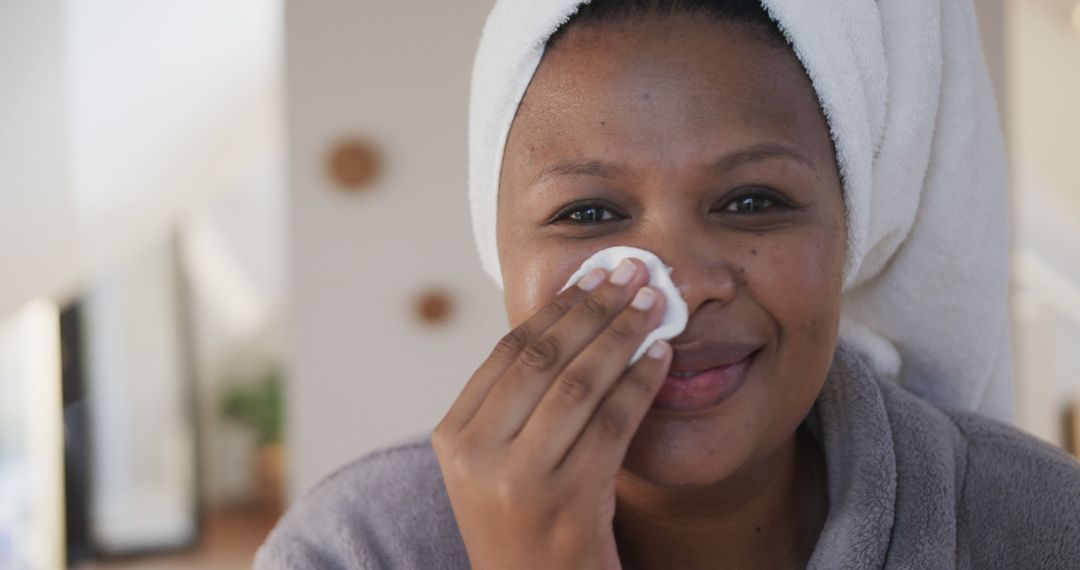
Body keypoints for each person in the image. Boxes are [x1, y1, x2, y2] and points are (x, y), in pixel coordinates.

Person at [256, 1, 1080, 568]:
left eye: (754, 201)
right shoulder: (356, 547)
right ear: (496, 246)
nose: (679, 286)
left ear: (852, 227)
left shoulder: (1041, 528)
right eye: (586, 212)